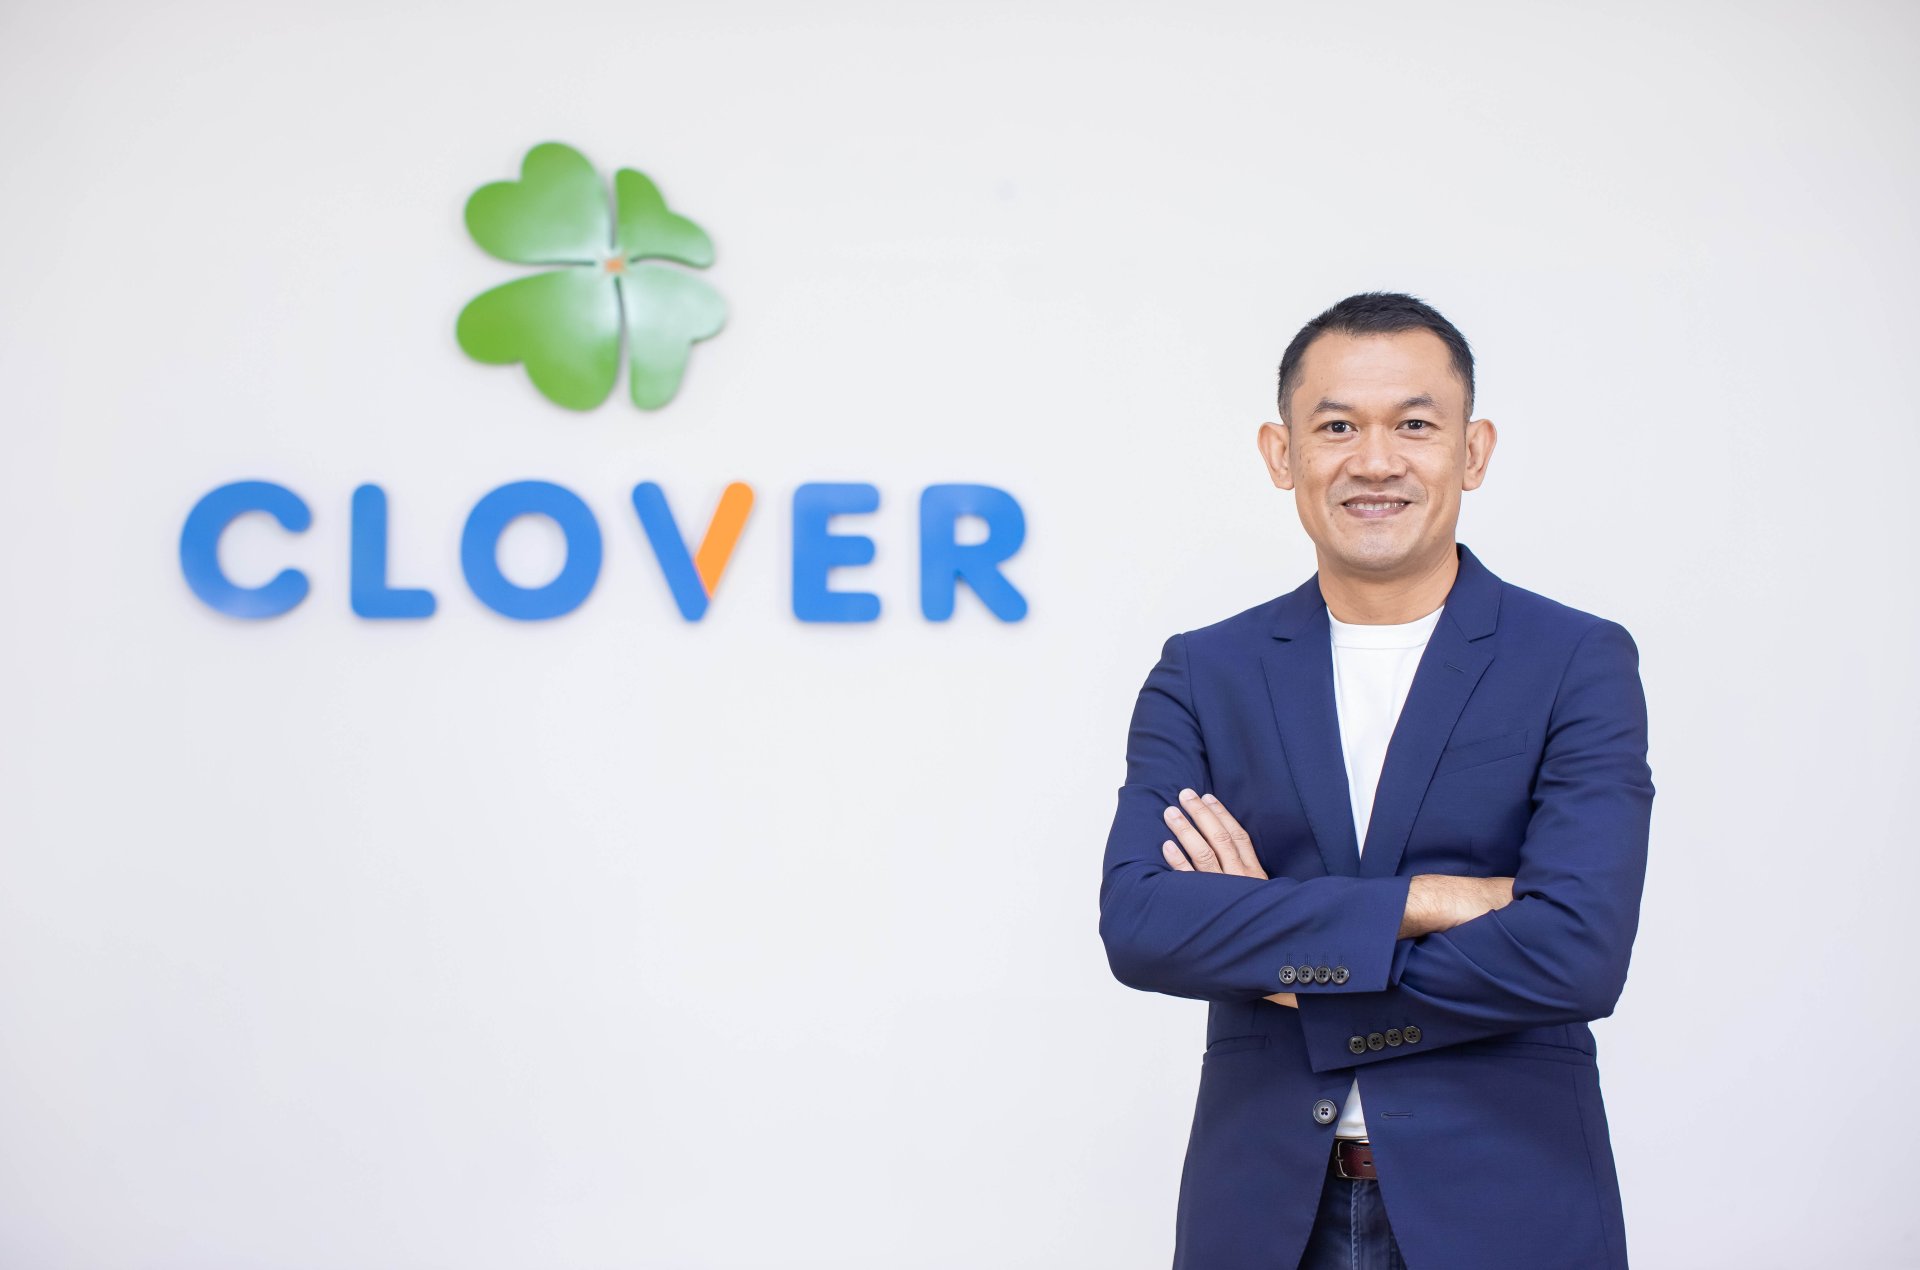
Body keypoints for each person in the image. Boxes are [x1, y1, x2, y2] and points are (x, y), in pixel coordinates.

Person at [1097, 292, 1653, 1270]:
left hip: (1506, 1206)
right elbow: (1144, 925)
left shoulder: (1575, 660)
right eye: (1338, 427)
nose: (1376, 460)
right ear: (1282, 454)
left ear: (1473, 451)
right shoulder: (1205, 673)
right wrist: (1430, 900)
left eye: (1415, 425)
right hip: (1264, 1216)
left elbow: (1578, 952)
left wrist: (1286, 958)